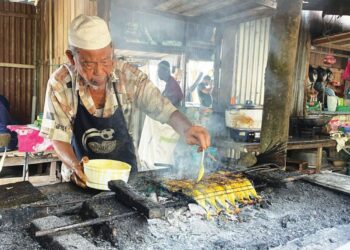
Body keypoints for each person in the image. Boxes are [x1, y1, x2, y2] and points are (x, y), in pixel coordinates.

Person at [40, 15, 210, 188]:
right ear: (71, 58)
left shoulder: (129, 76)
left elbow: (163, 108)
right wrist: (75, 166)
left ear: (112, 51)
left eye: (105, 61)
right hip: (82, 178)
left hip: (126, 177)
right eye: (88, 64)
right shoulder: (60, 83)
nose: (99, 72)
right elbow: (58, 137)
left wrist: (187, 128)